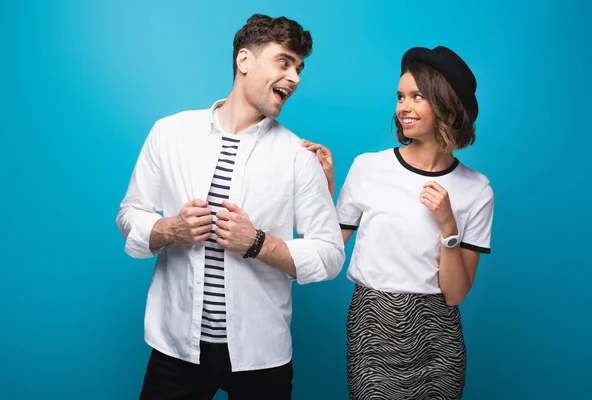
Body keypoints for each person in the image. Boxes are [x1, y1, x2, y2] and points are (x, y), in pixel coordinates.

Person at [116, 14, 345, 400]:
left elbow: (330, 254)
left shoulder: (297, 156)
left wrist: (258, 243)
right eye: (284, 62)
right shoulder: (169, 133)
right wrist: (172, 229)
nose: (295, 78)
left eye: (299, 68)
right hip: (176, 350)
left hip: (261, 356)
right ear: (244, 61)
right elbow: (130, 213)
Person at [303, 46, 495, 399]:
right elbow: (326, 244)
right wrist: (325, 185)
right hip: (373, 325)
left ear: (446, 105)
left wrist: (448, 226)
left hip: (438, 337)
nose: (403, 107)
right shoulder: (368, 168)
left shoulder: (477, 189)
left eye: (417, 97)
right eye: (400, 96)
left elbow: (455, 293)